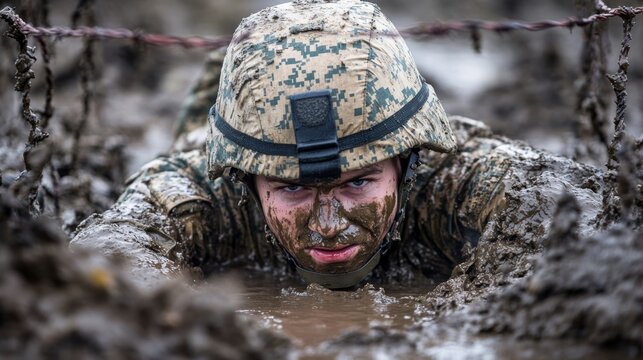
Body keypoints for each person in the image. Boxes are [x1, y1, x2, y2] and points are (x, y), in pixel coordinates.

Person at [71, 0, 604, 289]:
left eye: (358, 183)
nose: (328, 225)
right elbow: (107, 255)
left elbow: (574, 203)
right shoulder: (201, 195)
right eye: (293, 190)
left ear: (406, 161)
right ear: (245, 183)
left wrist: (459, 308)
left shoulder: (449, 177)